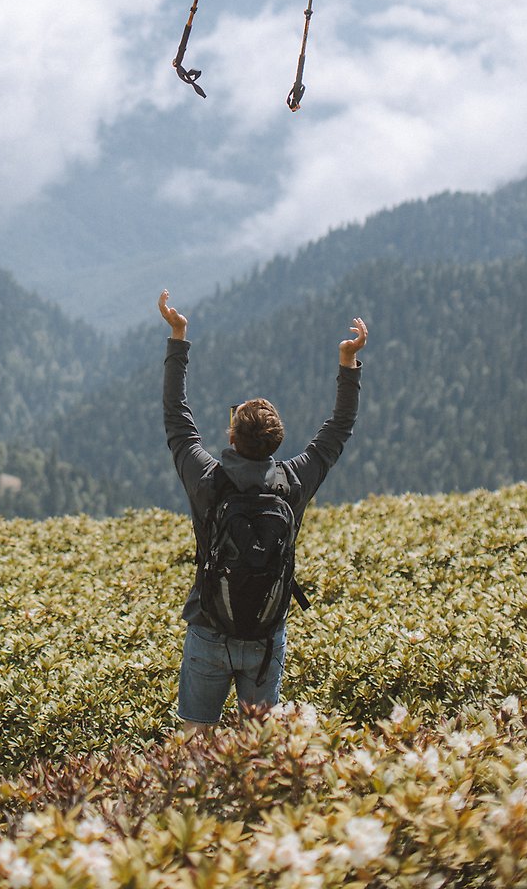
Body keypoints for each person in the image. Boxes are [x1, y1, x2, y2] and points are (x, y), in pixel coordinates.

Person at [158, 289, 367, 730]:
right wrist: (347, 363)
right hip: (266, 636)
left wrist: (179, 339)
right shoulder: (293, 482)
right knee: (257, 750)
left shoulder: (208, 480)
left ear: (232, 438)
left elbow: (176, 419)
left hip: (209, 628)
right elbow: (337, 429)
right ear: (276, 442)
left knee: (194, 745)